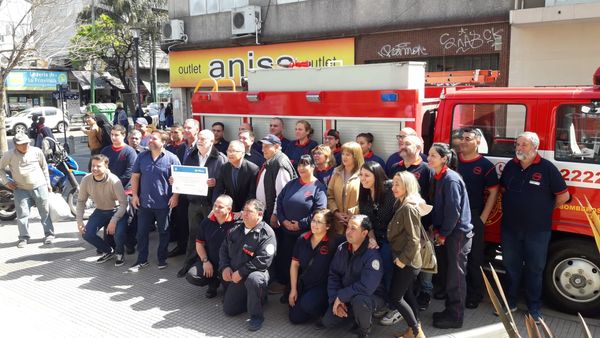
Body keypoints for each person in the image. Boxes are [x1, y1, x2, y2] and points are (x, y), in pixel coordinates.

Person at [499, 131, 569, 322]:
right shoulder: (510, 167)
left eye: (524, 145)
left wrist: (543, 210)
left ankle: (534, 308)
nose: (519, 148)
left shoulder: (547, 168)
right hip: (510, 229)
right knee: (511, 266)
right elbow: (503, 189)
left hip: (537, 230)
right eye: (518, 144)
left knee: (535, 269)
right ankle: (510, 303)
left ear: (535, 147)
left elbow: (563, 196)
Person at [428, 142, 473, 329]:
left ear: (444, 159)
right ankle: (449, 310)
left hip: (458, 235)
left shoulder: (451, 179)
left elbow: (453, 212)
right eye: (428, 155)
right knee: (450, 275)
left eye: (433, 156)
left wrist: (443, 234)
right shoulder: (438, 176)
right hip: (449, 233)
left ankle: (456, 317)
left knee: (456, 277)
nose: (428, 158)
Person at [321, 215, 385, 338]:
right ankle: (354, 317)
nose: (348, 231)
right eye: (348, 227)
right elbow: (333, 275)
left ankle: (364, 330)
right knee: (327, 322)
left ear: (364, 233)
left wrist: (341, 296)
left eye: (353, 228)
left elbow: (366, 287)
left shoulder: (372, 255)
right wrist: (335, 299)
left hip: (372, 296)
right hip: (347, 295)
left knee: (360, 301)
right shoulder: (342, 248)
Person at [275, 155, 328, 301]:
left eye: (305, 165)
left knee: (301, 264)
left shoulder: (319, 187)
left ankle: (299, 292)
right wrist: (283, 220)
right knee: (287, 261)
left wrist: (301, 224)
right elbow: (279, 201)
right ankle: (288, 289)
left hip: (305, 235)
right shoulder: (291, 184)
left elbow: (320, 211)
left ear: (312, 167)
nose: (301, 168)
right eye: (299, 165)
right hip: (286, 232)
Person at [457, 128, 499, 309]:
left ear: (478, 142)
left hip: (473, 215)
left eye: (468, 138)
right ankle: (452, 290)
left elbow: (494, 192)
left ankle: (475, 294)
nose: (463, 141)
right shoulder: (452, 160)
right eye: (461, 138)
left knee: (474, 258)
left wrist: (482, 217)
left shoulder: (485, 165)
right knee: (452, 256)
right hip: (453, 214)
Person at [219, 199, 277, 332]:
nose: (245, 214)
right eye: (244, 210)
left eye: (249, 211)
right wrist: (225, 267)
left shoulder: (267, 234)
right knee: (229, 310)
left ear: (260, 214)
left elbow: (263, 261)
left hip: (255, 272)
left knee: (254, 280)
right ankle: (250, 297)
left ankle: (257, 315)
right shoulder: (235, 228)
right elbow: (223, 249)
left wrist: (241, 272)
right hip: (236, 273)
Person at [393, 135, 435, 311]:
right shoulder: (396, 167)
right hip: (401, 225)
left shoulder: (427, 170)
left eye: (407, 144)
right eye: (401, 143)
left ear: (419, 148)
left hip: (422, 226)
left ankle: (425, 293)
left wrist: (431, 225)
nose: (402, 146)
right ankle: (408, 294)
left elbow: (433, 197)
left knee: (424, 261)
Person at [178, 129, 227, 278]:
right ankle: (189, 262)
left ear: (212, 142)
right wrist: (177, 181)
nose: (199, 141)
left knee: (211, 236)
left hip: (210, 205)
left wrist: (216, 182)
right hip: (194, 203)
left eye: (203, 139)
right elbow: (184, 175)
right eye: (199, 138)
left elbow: (225, 182)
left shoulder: (220, 158)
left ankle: (212, 267)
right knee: (193, 234)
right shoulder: (191, 155)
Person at [130, 130, 181, 271]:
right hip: (144, 202)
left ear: (164, 142)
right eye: (150, 138)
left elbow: (179, 180)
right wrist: (134, 195)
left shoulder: (172, 158)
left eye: (154, 139)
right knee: (142, 233)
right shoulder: (141, 157)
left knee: (164, 232)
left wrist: (175, 196)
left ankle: (162, 259)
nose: (150, 141)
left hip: (164, 203)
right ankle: (142, 260)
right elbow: (135, 177)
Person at [387, 171, 430, 338]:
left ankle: (416, 332)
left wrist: (402, 260)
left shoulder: (408, 207)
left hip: (408, 262)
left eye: (398, 184)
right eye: (393, 183)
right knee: (407, 294)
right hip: (404, 259)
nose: (394, 187)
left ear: (407, 186)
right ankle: (414, 331)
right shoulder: (401, 203)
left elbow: (414, 239)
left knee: (396, 298)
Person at [356, 161, 398, 326]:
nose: (363, 179)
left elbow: (398, 217)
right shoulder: (364, 193)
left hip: (393, 237)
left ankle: (393, 305)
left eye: (367, 175)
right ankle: (381, 301)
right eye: (361, 175)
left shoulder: (390, 190)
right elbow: (368, 221)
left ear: (377, 176)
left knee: (387, 267)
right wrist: (372, 238)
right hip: (376, 236)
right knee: (373, 268)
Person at [288, 209, 343, 324]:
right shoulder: (302, 239)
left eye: (319, 222)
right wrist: (293, 290)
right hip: (305, 283)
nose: (314, 224)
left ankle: (325, 310)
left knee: (308, 304)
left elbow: (355, 242)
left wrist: (371, 241)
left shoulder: (336, 241)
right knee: (294, 317)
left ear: (327, 226)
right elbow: (294, 265)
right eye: (313, 221)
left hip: (324, 287)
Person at [0, 133, 54, 248]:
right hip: (20, 189)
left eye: (27, 143)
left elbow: (44, 167)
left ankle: (49, 234)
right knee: (22, 214)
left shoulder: (36, 151)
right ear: (15, 145)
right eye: (22, 144)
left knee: (45, 211)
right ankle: (23, 237)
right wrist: (6, 182)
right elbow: (1, 168)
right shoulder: (9, 155)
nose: (25, 146)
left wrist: (48, 183)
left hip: (40, 186)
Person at [76, 154, 129, 266]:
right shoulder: (86, 179)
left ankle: (120, 253)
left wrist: (114, 220)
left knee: (118, 234)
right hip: (100, 210)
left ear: (106, 166)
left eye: (98, 166)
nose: (94, 168)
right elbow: (81, 201)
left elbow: (124, 204)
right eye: (93, 166)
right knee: (87, 234)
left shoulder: (114, 180)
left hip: (117, 211)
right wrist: (79, 220)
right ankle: (109, 251)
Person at [186, 195, 237, 298]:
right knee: (193, 275)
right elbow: (199, 243)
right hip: (210, 262)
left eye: (220, 207)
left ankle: (225, 282)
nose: (216, 209)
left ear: (229, 209)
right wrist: (205, 261)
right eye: (215, 206)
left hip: (229, 265)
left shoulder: (237, 224)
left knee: (231, 298)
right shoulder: (206, 222)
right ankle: (213, 282)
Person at [256, 134, 296, 228]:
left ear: (277, 147)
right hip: (265, 211)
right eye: (262, 147)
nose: (263, 150)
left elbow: (282, 193)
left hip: (273, 215)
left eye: (266, 147)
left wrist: (275, 214)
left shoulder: (279, 162)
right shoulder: (272, 160)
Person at [327, 141, 364, 233]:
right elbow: (329, 195)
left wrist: (351, 214)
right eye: (343, 154)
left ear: (356, 157)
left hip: (356, 224)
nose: (344, 157)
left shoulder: (363, 174)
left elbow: (367, 200)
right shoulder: (337, 172)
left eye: (348, 154)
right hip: (337, 224)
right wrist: (336, 212)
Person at [213, 140, 259, 213]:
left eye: (234, 151)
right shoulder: (224, 168)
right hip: (229, 209)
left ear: (243, 153)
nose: (230, 154)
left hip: (247, 210)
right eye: (229, 151)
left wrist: (244, 210)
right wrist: (216, 207)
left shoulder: (252, 169)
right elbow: (219, 189)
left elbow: (252, 193)